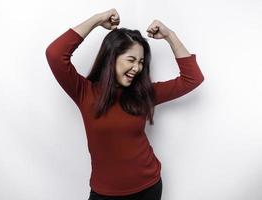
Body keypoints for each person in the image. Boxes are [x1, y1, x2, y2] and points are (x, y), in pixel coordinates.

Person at [45, 8, 204, 200]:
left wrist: (170, 36)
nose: (137, 68)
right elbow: (55, 54)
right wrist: (96, 20)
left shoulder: (144, 94)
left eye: (141, 62)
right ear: (112, 58)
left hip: (149, 187)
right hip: (104, 193)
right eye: (131, 60)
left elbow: (192, 78)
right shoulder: (85, 92)